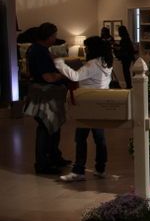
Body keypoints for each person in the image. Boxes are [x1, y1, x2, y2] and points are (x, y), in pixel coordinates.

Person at [55, 36, 113, 182]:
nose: (85, 49)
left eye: (87, 47)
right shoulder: (105, 62)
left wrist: (59, 63)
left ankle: (78, 171)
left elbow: (75, 76)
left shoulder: (92, 64)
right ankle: (100, 168)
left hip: (88, 105)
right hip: (100, 104)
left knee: (81, 138)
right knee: (99, 139)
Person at [23, 22, 70, 174]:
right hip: (45, 95)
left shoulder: (35, 49)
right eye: (54, 35)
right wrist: (63, 75)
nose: (55, 38)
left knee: (52, 128)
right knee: (46, 128)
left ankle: (54, 157)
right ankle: (43, 164)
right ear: (48, 36)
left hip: (42, 93)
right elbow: (47, 77)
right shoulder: (40, 52)